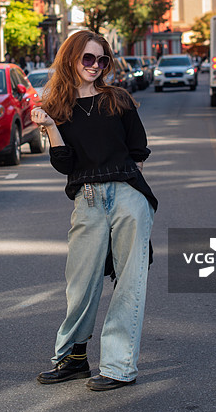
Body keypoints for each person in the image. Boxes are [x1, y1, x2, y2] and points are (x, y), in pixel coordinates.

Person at [31, 29, 157, 391]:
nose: (96, 65)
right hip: (86, 199)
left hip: (128, 194)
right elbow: (65, 164)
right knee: (80, 282)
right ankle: (73, 358)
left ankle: (119, 367)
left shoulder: (117, 99)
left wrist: (133, 198)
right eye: (89, 58)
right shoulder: (58, 108)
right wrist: (52, 127)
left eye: (102, 59)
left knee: (129, 284)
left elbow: (138, 150)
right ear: (72, 59)